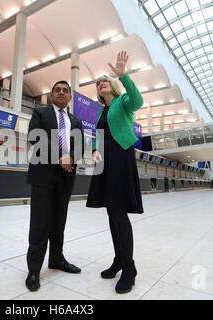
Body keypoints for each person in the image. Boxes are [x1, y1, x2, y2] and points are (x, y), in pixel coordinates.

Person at [86, 50, 144, 294]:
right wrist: (94, 151)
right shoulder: (100, 112)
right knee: (111, 212)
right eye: (98, 83)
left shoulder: (123, 102)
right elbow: (97, 137)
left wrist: (124, 76)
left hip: (121, 158)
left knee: (119, 213)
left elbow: (138, 101)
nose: (100, 84)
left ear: (112, 86)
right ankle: (119, 259)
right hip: (104, 163)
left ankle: (129, 267)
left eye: (104, 81)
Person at [25, 80, 84, 292]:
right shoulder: (40, 113)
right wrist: (62, 156)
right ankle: (33, 269)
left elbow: (80, 147)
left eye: (65, 91)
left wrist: (71, 158)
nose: (61, 92)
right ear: (51, 95)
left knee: (59, 221)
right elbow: (34, 136)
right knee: (40, 222)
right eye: (57, 90)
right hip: (43, 174)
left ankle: (57, 259)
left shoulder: (76, 121)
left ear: (69, 97)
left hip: (66, 176)